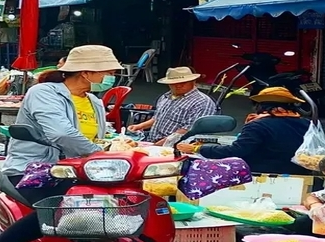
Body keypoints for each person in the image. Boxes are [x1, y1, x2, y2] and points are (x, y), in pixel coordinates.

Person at [0, 45, 121, 242]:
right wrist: (100, 152)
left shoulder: (95, 102)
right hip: (36, 170)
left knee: (128, 207)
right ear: (87, 72)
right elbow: (61, 134)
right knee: (61, 208)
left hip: (82, 172)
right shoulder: (44, 93)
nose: (111, 77)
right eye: (107, 72)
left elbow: (101, 137)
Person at [176, 86, 311, 175]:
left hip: (263, 176)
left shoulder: (258, 125)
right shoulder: (306, 123)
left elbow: (236, 151)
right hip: (301, 174)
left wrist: (197, 149)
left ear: (261, 105)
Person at [127, 67, 217, 145]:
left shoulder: (202, 102)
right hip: (152, 140)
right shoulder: (166, 96)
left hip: (177, 146)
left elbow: (187, 131)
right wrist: (139, 126)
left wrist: (156, 146)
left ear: (193, 82)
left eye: (183, 82)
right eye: (174, 83)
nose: (178, 85)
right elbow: (157, 118)